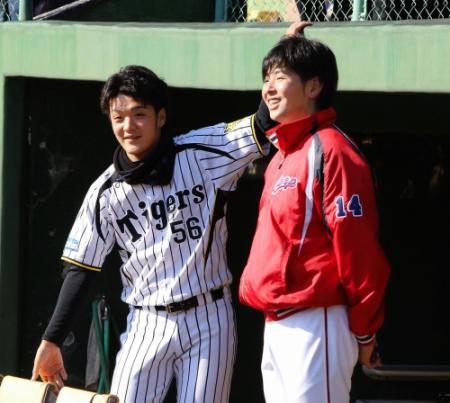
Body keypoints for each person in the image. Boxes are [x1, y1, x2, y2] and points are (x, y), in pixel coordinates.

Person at [31, 64, 277, 403]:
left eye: (139, 115)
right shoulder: (105, 192)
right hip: (146, 320)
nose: (128, 126)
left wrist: (278, 74)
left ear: (161, 117)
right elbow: (81, 269)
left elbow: (262, 127)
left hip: (208, 317)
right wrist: (52, 339)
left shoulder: (200, 153)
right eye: (118, 117)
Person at [238, 24, 390, 402]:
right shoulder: (282, 155)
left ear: (313, 86)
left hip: (317, 321)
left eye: (279, 78)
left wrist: (365, 331)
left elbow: (358, 252)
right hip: (276, 322)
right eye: (265, 80)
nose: (268, 89)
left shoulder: (333, 150)